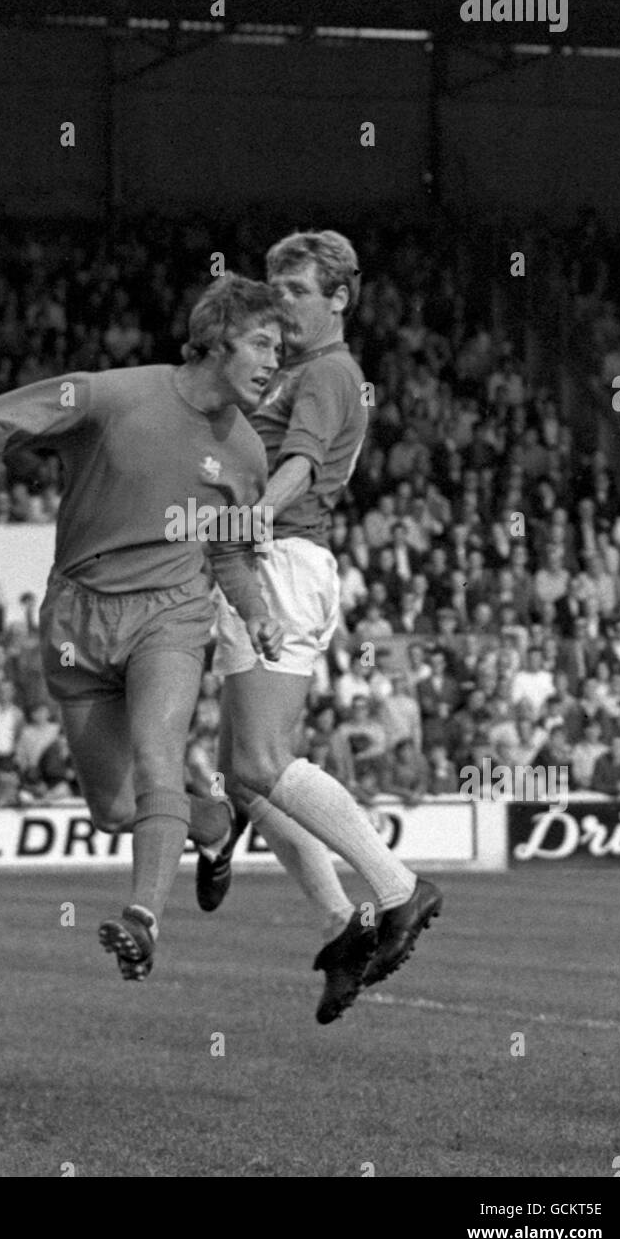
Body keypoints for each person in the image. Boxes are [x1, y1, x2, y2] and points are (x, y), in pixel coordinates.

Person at [0, 273, 286, 982]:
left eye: (281, 348)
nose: (275, 362)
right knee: (115, 810)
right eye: (263, 343)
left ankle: (144, 920)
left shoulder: (247, 454)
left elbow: (229, 550)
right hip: (76, 616)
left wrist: (257, 609)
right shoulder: (110, 396)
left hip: (170, 616)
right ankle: (212, 825)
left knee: (156, 763)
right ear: (215, 340)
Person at [198, 230, 443, 1024]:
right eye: (276, 288)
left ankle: (400, 887)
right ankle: (343, 925)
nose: (283, 303)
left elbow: (300, 462)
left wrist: (255, 519)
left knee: (264, 758)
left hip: (285, 559)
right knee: (241, 771)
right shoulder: (294, 369)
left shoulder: (333, 371)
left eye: (298, 290)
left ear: (340, 298)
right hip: (264, 556)